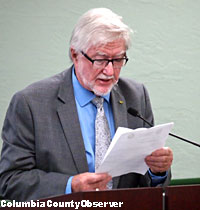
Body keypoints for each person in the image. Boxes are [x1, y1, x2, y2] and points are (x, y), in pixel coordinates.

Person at [0, 8, 173, 201]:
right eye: (100, 60)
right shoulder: (31, 103)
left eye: (117, 60)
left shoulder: (136, 95)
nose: (109, 71)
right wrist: (70, 186)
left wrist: (158, 170)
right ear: (75, 55)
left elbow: (146, 185)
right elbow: (10, 181)